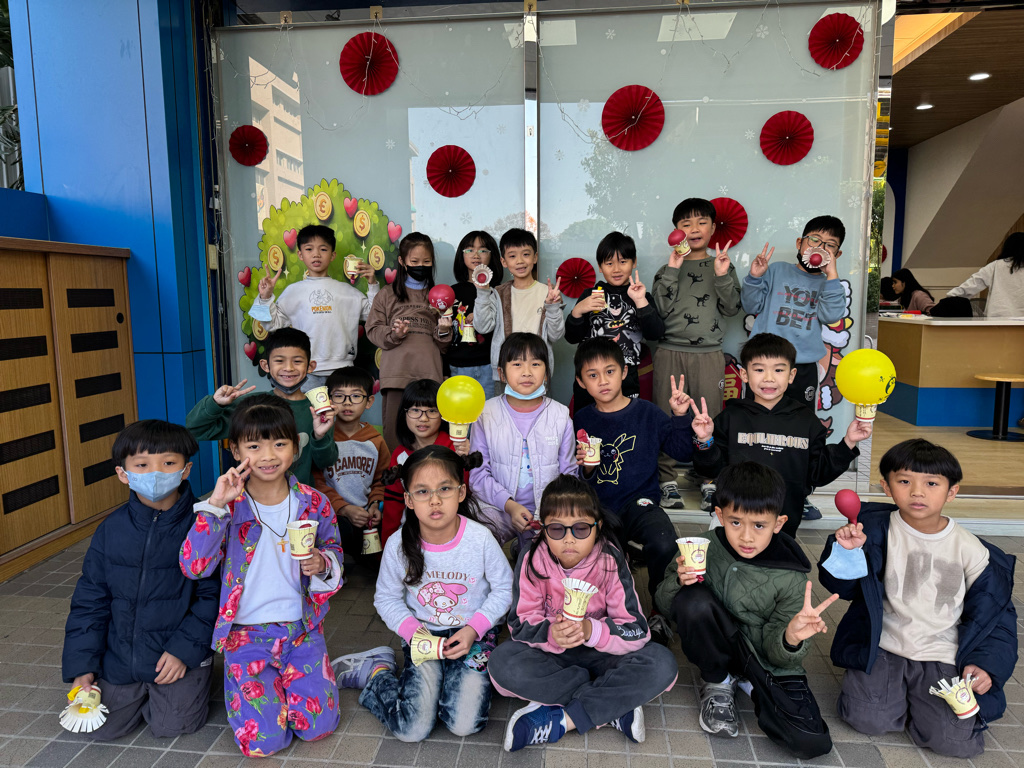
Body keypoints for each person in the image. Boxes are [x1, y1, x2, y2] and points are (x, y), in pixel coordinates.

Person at [818, 439, 1017, 759]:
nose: (917, 492)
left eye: (932, 483)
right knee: (866, 718)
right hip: (884, 646)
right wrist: (847, 553)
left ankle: (912, 700)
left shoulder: (973, 550)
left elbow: (997, 618)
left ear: (952, 491)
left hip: (943, 654)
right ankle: (894, 694)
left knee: (954, 741)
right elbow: (844, 589)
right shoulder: (872, 532)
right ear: (886, 486)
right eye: (904, 481)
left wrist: (986, 666)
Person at [179, 397, 344, 757]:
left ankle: (337, 673)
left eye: (279, 443)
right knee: (263, 743)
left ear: (296, 448)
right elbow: (194, 567)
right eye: (254, 446)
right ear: (235, 450)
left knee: (319, 727)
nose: (268, 455)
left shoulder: (314, 502)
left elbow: (334, 551)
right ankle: (264, 688)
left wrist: (323, 562)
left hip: (302, 629)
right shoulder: (227, 504)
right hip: (245, 635)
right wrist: (215, 507)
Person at [655, 462, 836, 759]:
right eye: (736, 522)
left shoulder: (791, 574)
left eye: (759, 525)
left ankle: (748, 681)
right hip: (718, 644)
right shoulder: (701, 547)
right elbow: (665, 605)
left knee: (810, 741)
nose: (746, 537)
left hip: (763, 657)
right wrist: (678, 581)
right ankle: (718, 681)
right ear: (720, 515)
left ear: (778, 523)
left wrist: (791, 639)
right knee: (693, 600)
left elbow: (781, 656)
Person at [336, 446, 512, 743]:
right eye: (422, 491)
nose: (435, 500)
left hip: (473, 635)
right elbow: (386, 598)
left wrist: (474, 628)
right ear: (408, 499)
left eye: (445, 488)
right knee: (412, 729)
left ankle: (446, 679)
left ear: (461, 492)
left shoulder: (480, 539)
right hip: (424, 635)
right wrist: (414, 633)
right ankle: (377, 673)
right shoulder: (398, 545)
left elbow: (505, 588)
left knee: (464, 724)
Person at [488, 475, 678, 752]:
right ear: (543, 529)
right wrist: (551, 632)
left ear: (597, 527)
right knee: (501, 662)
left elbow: (636, 629)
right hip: (552, 655)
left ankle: (562, 719)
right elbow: (519, 623)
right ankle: (611, 705)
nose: (569, 540)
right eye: (556, 529)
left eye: (580, 529)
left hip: (604, 654)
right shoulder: (532, 559)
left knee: (662, 663)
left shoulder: (610, 559)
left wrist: (592, 630)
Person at [62, 421, 219, 741]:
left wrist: (184, 651)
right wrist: (83, 668)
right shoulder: (111, 529)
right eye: (142, 465)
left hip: (177, 653)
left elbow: (213, 596)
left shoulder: (204, 525)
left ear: (186, 470)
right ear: (123, 473)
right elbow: (90, 600)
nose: (155, 473)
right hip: (122, 656)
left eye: (169, 463)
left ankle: (198, 674)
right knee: (100, 729)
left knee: (173, 726)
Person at [572, 337, 694, 643]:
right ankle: (604, 612)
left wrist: (680, 417)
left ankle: (659, 610)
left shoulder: (648, 414)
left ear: (624, 372)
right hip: (598, 508)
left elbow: (682, 451)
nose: (603, 381)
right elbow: (578, 476)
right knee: (595, 554)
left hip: (640, 504)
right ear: (581, 381)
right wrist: (587, 467)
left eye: (610, 371)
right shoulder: (581, 419)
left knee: (664, 541)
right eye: (593, 375)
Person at [689, 333, 872, 536]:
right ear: (744, 375)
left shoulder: (806, 421)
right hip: (731, 522)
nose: (769, 378)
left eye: (778, 370)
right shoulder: (730, 417)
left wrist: (848, 443)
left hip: (783, 524)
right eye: (759, 369)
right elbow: (710, 469)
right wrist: (705, 440)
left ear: (791, 375)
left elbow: (818, 474)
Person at [742, 215, 849, 521]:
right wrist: (754, 277)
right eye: (815, 240)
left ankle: (799, 493)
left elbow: (832, 315)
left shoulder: (827, 283)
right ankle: (752, 489)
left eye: (830, 245)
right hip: (765, 364)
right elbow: (751, 305)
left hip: (802, 368)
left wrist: (831, 274)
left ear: (837, 254)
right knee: (754, 425)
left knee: (800, 430)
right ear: (801, 243)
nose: (820, 247)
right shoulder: (777, 270)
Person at [651, 199, 742, 510]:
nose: (694, 229)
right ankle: (666, 480)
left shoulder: (723, 265)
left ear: (713, 228)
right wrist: (673, 270)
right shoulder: (667, 268)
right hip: (670, 351)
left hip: (709, 354)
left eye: (701, 222)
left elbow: (732, 308)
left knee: (708, 416)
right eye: (686, 223)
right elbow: (658, 310)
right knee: (666, 415)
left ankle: (708, 479)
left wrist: (722, 275)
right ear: (676, 231)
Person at [186, 327, 338, 486]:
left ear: (310, 366)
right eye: (279, 361)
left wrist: (320, 437)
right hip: (252, 495)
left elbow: (325, 462)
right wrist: (215, 404)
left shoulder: (319, 410)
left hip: (299, 497)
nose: (289, 368)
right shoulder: (251, 406)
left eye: (297, 361)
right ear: (265, 365)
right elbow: (195, 429)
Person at [470, 332, 578, 549]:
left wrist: (549, 513)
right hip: (498, 508)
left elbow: (569, 475)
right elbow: (478, 475)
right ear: (501, 373)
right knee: (477, 539)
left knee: (545, 558)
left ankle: (524, 547)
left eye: (535, 364)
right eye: (517, 364)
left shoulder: (560, 416)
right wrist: (509, 506)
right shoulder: (485, 414)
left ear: (546, 373)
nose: (527, 372)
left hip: (548, 512)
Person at [251, 224, 378, 391]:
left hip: (343, 371)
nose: (316, 254)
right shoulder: (292, 292)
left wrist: (373, 284)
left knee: (342, 409)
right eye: (309, 249)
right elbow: (270, 324)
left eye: (323, 249)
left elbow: (374, 315)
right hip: (306, 372)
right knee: (308, 409)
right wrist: (265, 297)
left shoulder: (347, 292)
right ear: (300, 254)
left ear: (333, 255)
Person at [365, 232, 453, 450]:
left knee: (430, 435)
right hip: (396, 375)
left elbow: (444, 345)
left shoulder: (440, 295)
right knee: (395, 436)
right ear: (402, 261)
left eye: (426, 262)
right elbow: (372, 330)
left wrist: (444, 330)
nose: (420, 266)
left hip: (429, 374)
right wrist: (394, 334)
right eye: (414, 261)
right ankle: (397, 471)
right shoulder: (387, 294)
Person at [565, 231, 665, 413]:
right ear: (600, 267)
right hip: (590, 373)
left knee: (627, 418)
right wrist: (577, 311)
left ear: (634, 262)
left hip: (626, 374)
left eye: (623, 262)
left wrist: (641, 301)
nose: (616, 269)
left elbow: (655, 334)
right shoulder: (590, 295)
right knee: (586, 419)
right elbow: (572, 337)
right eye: (609, 263)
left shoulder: (642, 296)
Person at [313, 366, 391, 561]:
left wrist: (375, 504)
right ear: (328, 400)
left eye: (356, 396)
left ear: (369, 401)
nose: (347, 402)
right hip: (333, 515)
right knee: (340, 534)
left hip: (366, 515)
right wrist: (344, 508)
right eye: (339, 396)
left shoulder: (375, 440)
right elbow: (316, 481)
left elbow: (382, 479)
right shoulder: (322, 438)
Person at [381, 379, 469, 549]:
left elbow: (465, 493)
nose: (423, 418)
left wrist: (462, 459)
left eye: (432, 411)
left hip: (452, 531)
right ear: (404, 413)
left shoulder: (454, 447)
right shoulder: (399, 455)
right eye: (415, 410)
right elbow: (393, 504)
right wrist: (386, 548)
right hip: (411, 533)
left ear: (443, 414)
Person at [472, 228, 565, 384]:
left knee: (539, 402)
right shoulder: (499, 293)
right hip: (505, 373)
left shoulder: (547, 293)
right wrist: (482, 292)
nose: (520, 261)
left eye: (526, 254)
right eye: (512, 256)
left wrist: (553, 307)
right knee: (504, 401)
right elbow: (483, 327)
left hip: (538, 373)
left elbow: (555, 335)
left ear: (535, 257)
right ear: (504, 262)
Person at [445, 230, 504, 397]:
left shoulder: (498, 292)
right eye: (470, 249)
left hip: (490, 367)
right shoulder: (451, 292)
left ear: (492, 256)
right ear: (461, 255)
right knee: (461, 413)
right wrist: (444, 369)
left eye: (483, 250)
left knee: (490, 412)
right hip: (458, 366)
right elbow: (443, 336)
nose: (476, 255)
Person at [948, 232, 1024, 318]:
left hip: (997, 319)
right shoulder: (995, 266)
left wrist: (951, 297)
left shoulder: (995, 266)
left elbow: (972, 284)